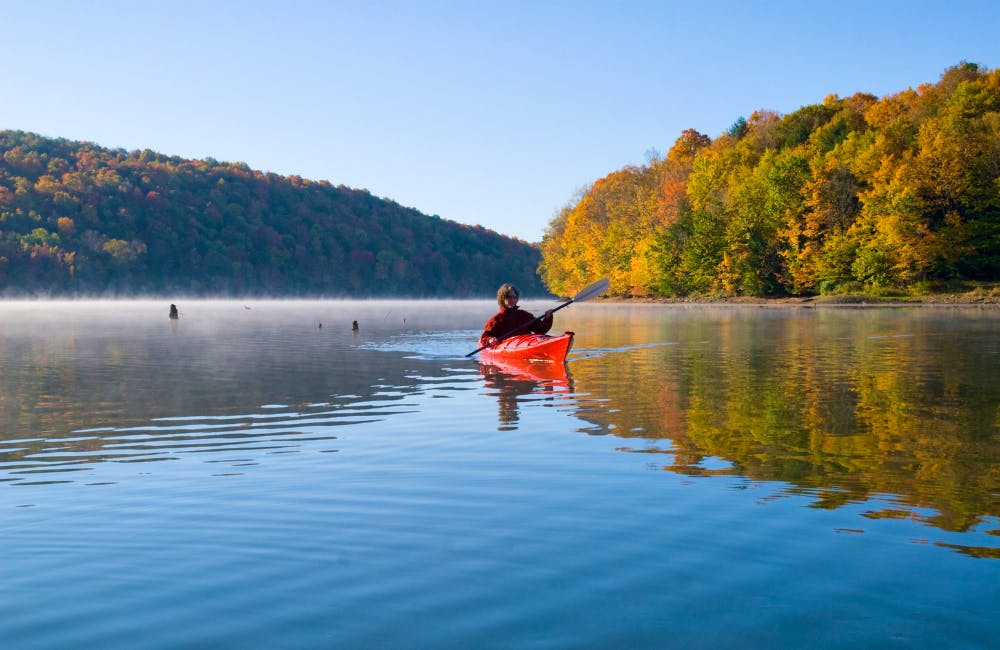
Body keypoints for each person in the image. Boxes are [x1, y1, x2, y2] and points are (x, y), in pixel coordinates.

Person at [479, 283, 553, 348]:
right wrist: (490, 340)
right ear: (502, 299)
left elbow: (541, 330)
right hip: (507, 347)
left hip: (527, 344)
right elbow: (484, 338)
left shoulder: (524, 315)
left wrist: (548, 318)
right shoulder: (496, 320)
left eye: (514, 297)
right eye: (508, 297)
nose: (512, 300)